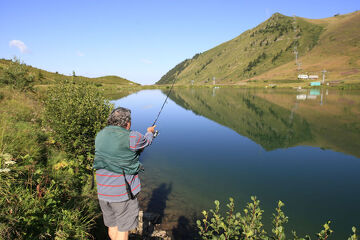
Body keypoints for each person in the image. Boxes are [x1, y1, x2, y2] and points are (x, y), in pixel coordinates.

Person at [93, 107, 156, 240]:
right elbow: (147, 141)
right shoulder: (133, 136)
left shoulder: (100, 135)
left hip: (103, 191)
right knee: (123, 229)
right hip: (122, 194)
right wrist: (150, 132)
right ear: (127, 123)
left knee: (113, 226)